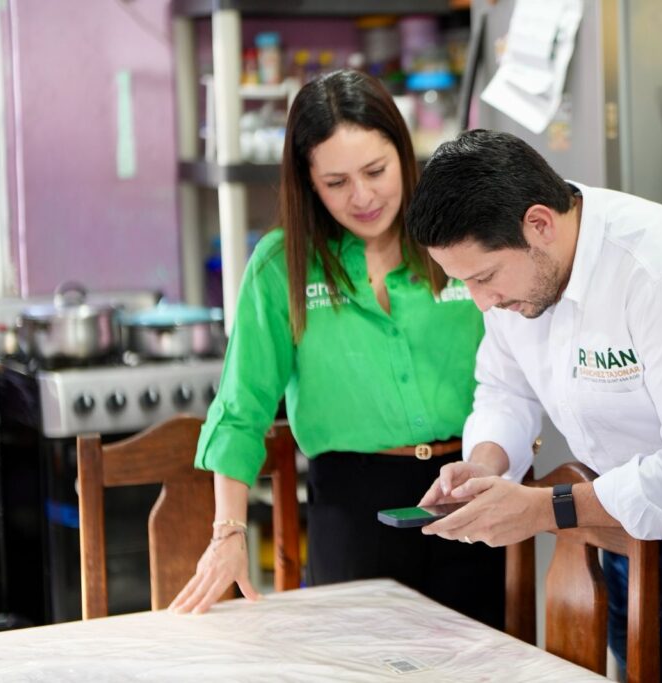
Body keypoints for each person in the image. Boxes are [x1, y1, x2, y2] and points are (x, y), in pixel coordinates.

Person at [405, 129, 662, 682]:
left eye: (484, 277)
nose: (484, 302)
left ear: (539, 224)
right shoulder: (519, 275)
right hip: (617, 529)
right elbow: (505, 389)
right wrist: (483, 464)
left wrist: (543, 508)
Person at [168, 70, 504, 628]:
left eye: (376, 170)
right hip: (352, 507)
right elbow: (241, 409)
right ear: (308, 182)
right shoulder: (282, 266)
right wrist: (227, 530)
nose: (364, 196)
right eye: (337, 181)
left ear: (404, 153)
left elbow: (518, 361)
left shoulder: (457, 239)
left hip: (472, 492)